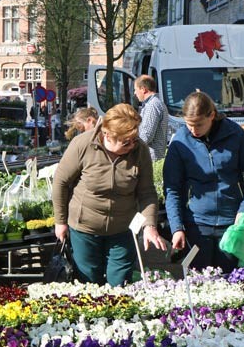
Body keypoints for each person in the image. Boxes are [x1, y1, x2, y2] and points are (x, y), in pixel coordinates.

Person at [53, 104, 165, 286]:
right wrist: (60, 221)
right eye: (126, 142)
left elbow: (147, 192)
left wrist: (149, 225)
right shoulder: (83, 144)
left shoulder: (140, 150)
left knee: (120, 283)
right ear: (107, 135)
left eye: (134, 139)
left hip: (123, 229)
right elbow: (61, 182)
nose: (132, 145)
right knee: (89, 284)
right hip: (84, 228)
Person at [163, 91, 244, 272]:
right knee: (199, 282)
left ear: (212, 115)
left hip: (231, 223)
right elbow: (172, 188)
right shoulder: (180, 141)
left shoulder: (235, 134)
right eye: (189, 125)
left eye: (199, 124)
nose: (193, 130)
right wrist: (176, 228)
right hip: (197, 224)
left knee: (231, 280)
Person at [133, 75, 169, 161]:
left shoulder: (152, 105)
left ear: (143, 89)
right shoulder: (154, 103)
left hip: (151, 159)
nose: (134, 93)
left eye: (136, 89)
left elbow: (146, 136)